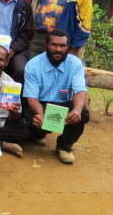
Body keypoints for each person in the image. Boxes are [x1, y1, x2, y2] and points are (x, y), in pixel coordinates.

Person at [24, 30, 89, 164]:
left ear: (68, 47)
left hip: (64, 105)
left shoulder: (75, 64)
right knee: (32, 116)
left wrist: (76, 109)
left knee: (82, 112)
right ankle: (39, 133)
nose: (58, 49)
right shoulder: (33, 65)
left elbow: (80, 91)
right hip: (41, 105)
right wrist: (40, 114)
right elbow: (32, 98)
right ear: (46, 44)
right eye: (54, 45)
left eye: (62, 45)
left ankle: (64, 146)